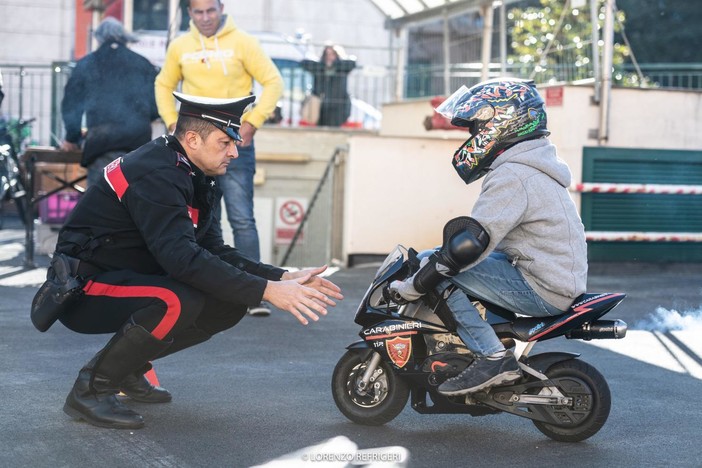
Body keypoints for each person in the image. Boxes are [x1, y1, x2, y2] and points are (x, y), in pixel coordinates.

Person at [30, 92, 343, 430]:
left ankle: (126, 369)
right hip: (85, 287)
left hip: (127, 277)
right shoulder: (156, 172)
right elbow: (181, 259)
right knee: (175, 301)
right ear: (192, 139)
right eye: (225, 142)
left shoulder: (196, 173)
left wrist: (280, 277)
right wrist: (266, 290)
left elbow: (213, 251)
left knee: (229, 301)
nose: (235, 151)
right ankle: (90, 389)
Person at [390, 78, 587, 396]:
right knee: (442, 259)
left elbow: (470, 245)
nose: (473, 135)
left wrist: (414, 285)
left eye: (476, 127)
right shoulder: (530, 164)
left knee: (438, 269)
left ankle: (490, 355)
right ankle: (486, 341)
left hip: (542, 287)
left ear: (504, 122)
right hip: (552, 276)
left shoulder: (514, 175)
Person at [155, 0, 283, 317]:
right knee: (201, 218)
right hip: (195, 147)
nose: (205, 18)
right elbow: (163, 84)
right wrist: (172, 123)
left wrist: (253, 123)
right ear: (189, 14)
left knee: (241, 217)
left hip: (234, 141)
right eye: (198, 12)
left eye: (210, 11)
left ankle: (255, 293)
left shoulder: (243, 42)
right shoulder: (181, 45)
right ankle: (211, 288)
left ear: (220, 8)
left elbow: (273, 81)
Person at [60, 17, 159, 186]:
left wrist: (72, 137)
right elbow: (155, 108)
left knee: (102, 203)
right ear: (124, 37)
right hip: (138, 143)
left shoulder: (87, 64)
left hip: (101, 143)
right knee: (135, 202)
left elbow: (71, 102)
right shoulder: (143, 64)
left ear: (99, 38)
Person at [301, 44, 356, 127]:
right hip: (321, 106)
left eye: (332, 54)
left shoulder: (342, 67)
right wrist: (324, 66)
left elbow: (352, 63)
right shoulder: (319, 67)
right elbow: (304, 63)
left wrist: (334, 65)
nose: (329, 57)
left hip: (338, 106)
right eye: (327, 54)